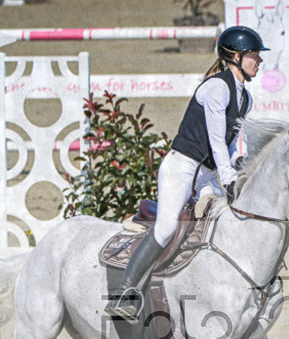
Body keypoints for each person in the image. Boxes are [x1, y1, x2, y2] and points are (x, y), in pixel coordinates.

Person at [105, 25, 268, 322]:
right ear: (235, 55)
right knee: (166, 228)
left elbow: (228, 145)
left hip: (205, 175)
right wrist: (229, 179)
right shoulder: (217, 87)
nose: (260, 60)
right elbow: (215, 140)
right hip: (181, 167)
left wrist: (241, 163)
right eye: (255, 55)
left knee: (226, 225)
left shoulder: (245, 98)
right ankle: (123, 293)